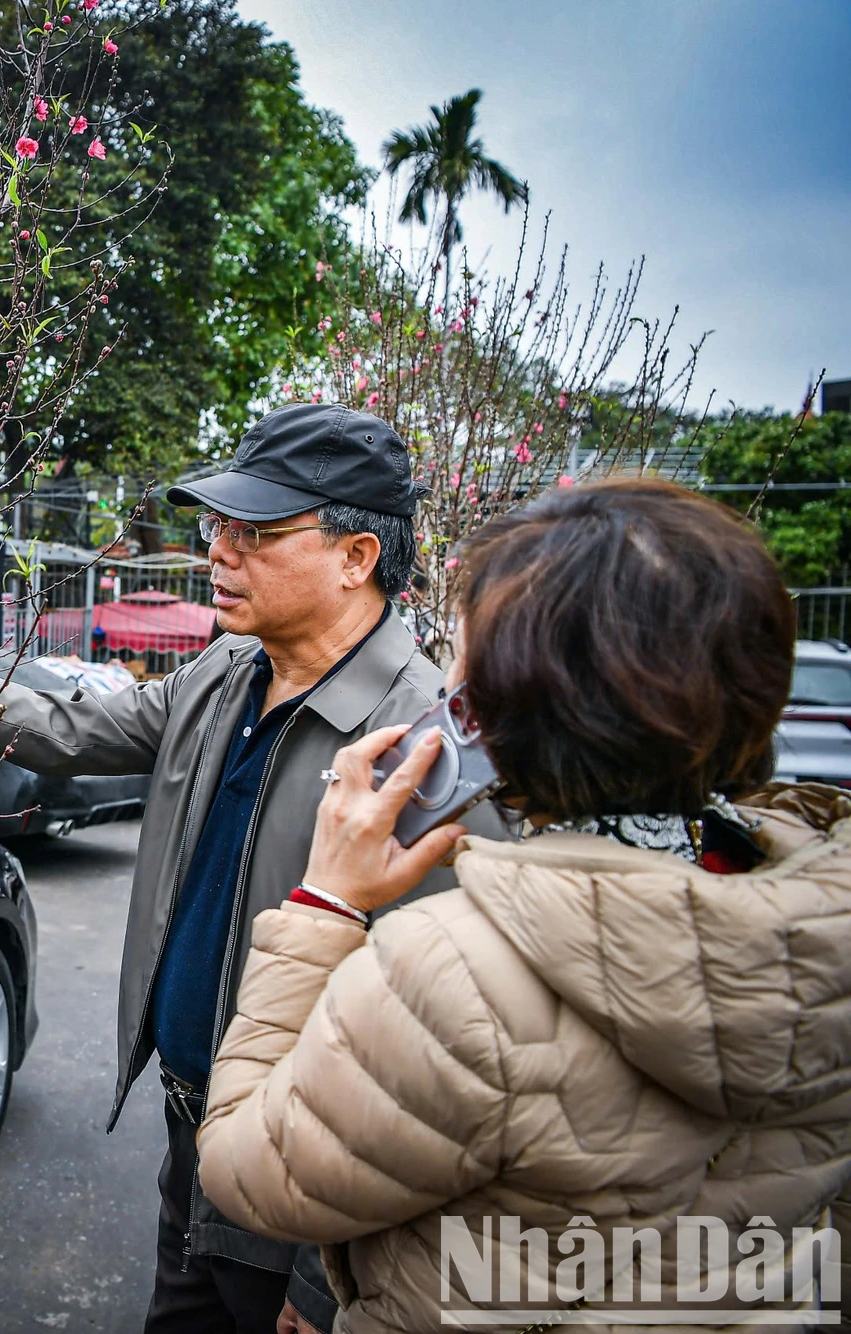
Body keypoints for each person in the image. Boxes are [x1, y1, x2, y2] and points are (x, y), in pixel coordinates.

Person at [0, 403, 505, 1333]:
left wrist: (317, 1278)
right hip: (193, 1145)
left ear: (356, 557)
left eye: (257, 532)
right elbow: (56, 729)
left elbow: (445, 1058)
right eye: (219, 527)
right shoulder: (222, 676)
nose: (219, 551)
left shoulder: (422, 752)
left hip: (309, 1194)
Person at [195, 478, 851, 1331]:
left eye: (462, 668)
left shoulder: (456, 975)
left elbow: (250, 1171)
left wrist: (324, 904)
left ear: (495, 717)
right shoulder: (820, 911)